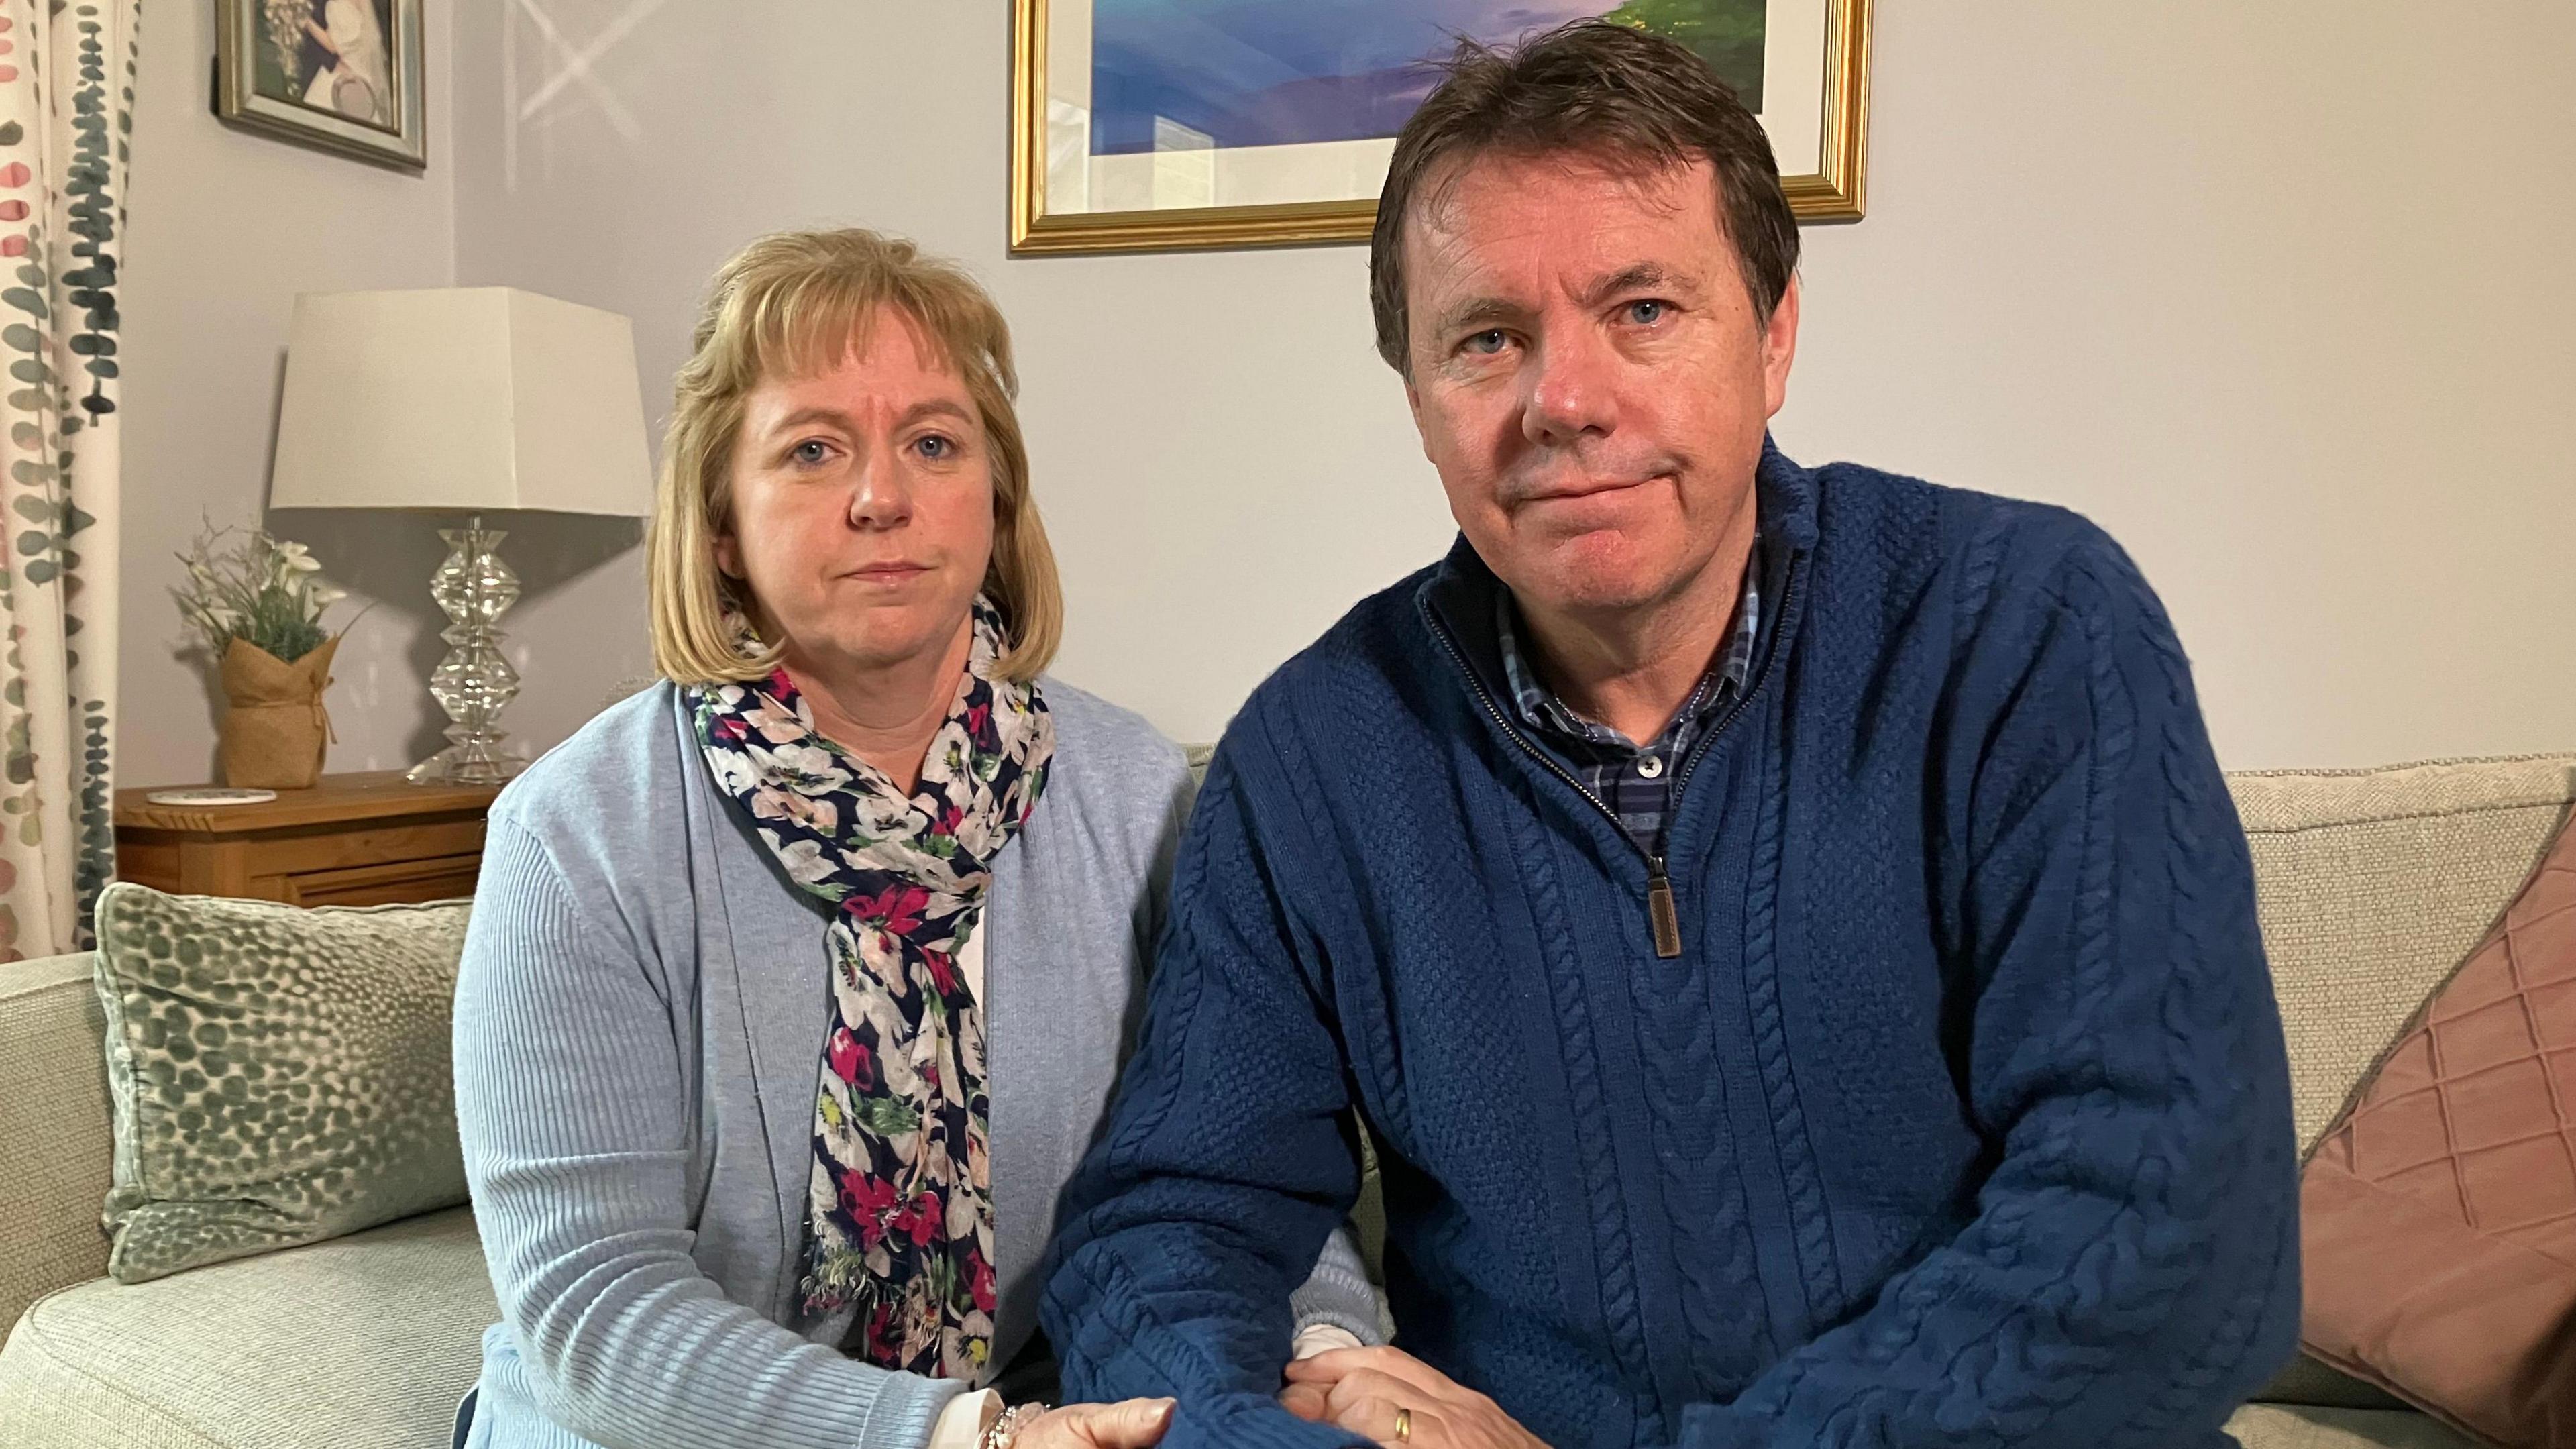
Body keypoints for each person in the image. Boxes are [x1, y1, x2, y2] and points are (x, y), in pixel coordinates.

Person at [1040, 21, 2299, 1449]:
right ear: (1419, 401)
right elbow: (1171, 1222)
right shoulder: (1314, 759)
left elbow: (2171, 1236)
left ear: (1774, 339)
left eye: (1643, 309)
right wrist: (1245, 1437)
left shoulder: (2029, 633)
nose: (1563, 401)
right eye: (1487, 338)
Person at [449, 228, 1383, 1449]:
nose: (881, 497)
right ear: (721, 523)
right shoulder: (576, 834)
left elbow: (1241, 1163)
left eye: (933, 443)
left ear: (994, 497)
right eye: (813, 448)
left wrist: (1333, 1353)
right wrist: (956, 1439)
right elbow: (592, 1308)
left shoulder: (1141, 795)